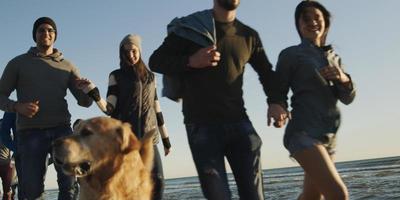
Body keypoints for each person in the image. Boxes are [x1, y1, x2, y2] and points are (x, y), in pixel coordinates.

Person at [149, 0, 281, 199]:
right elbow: (155, 61)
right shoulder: (191, 28)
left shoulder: (248, 35)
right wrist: (191, 61)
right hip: (202, 127)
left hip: (240, 124)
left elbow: (266, 72)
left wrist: (276, 102)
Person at [269, 1, 356, 200]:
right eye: (305, 18)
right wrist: (277, 107)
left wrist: (343, 78)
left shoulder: (335, 57)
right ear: (298, 25)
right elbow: (278, 90)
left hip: (329, 136)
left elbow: (348, 98)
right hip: (303, 132)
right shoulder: (291, 54)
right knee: (338, 194)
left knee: (311, 196)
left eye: (316, 17)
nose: (312, 22)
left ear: (325, 21)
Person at [0, 17, 93, 199]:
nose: (46, 33)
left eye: (50, 30)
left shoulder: (67, 66)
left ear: (55, 35)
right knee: (32, 191)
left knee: (70, 188)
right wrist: (17, 107)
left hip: (62, 131)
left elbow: (84, 102)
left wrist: (88, 90)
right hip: (30, 133)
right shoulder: (18, 63)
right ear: (35, 35)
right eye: (41, 30)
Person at [80, 34, 171, 200]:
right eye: (126, 52)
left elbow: (157, 110)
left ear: (139, 50)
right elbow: (109, 109)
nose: (131, 55)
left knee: (157, 181)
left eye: (134, 50)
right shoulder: (116, 76)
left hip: (149, 140)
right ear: (122, 54)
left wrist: (166, 141)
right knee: (126, 185)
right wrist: (93, 91)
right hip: (126, 140)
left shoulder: (151, 77)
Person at [0, 119, 14, 200]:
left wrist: (12, 161)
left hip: (6, 165)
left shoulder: (9, 136)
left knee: (7, 190)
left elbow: (15, 148)